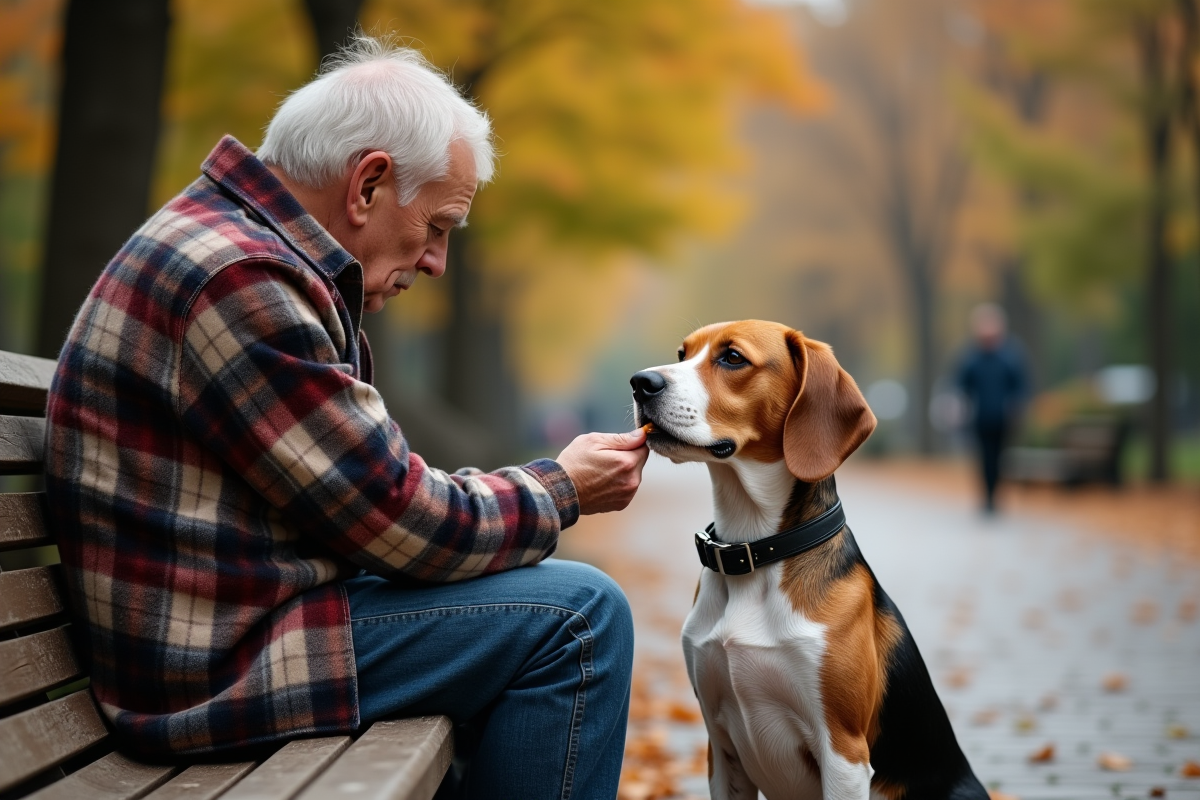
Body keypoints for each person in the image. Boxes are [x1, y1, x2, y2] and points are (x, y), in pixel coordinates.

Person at [43, 35, 648, 800]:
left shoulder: (242, 254)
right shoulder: (242, 279)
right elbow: (407, 523)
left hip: (236, 627)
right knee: (579, 620)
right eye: (438, 227)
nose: (436, 263)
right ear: (367, 184)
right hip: (211, 673)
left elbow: (377, 499)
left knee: (547, 607)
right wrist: (561, 488)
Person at [956, 303, 1029, 513]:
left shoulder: (1010, 357)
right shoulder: (972, 358)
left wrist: (1016, 405)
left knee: (1000, 459)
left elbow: (1020, 385)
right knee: (984, 459)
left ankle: (996, 495)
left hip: (1003, 419)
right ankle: (988, 497)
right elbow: (961, 385)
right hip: (980, 419)